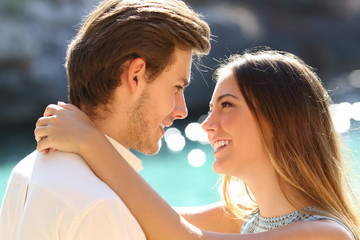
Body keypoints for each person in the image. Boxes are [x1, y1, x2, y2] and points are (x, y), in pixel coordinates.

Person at [34, 49, 360, 240]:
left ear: (279, 120)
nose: (206, 124)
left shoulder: (326, 234)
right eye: (212, 107)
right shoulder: (243, 217)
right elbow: (133, 216)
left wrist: (91, 142)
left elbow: (181, 237)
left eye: (227, 105)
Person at [0, 0, 211, 239]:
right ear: (135, 76)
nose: (182, 110)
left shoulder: (25, 171)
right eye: (176, 87)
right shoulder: (102, 208)